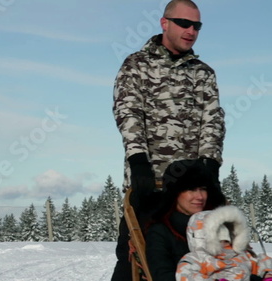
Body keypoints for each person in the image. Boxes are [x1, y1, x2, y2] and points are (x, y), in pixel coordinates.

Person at [111, 0, 225, 280]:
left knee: (201, 260)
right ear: (165, 23)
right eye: (184, 23)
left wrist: (210, 166)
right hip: (150, 182)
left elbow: (212, 120)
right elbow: (128, 112)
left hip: (191, 192)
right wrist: (138, 162)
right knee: (135, 259)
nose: (191, 30)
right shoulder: (137, 65)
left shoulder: (203, 72)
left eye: (196, 25)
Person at [145, 159, 227, 281]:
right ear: (175, 193)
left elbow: (240, 263)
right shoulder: (160, 232)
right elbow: (163, 275)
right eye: (191, 189)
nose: (200, 196)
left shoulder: (219, 226)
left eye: (203, 189)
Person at [176, 205, 272, 281]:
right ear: (202, 237)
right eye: (219, 241)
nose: (224, 245)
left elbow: (263, 262)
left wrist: (267, 275)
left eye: (227, 241)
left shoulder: (242, 255)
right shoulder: (197, 258)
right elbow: (186, 275)